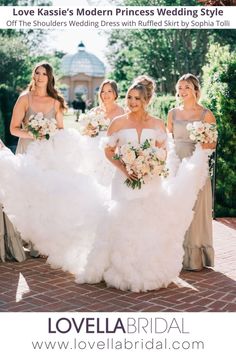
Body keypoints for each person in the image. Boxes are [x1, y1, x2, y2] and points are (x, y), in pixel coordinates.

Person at [75, 76, 211, 292]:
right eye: (129, 97)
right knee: (123, 221)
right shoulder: (118, 122)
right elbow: (108, 151)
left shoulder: (156, 123)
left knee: (148, 222)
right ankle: (119, 268)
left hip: (150, 180)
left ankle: (146, 268)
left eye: (137, 98)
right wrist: (125, 169)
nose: (132, 102)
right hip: (123, 180)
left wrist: (149, 165)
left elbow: (164, 151)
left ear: (146, 100)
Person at [9, 62, 66, 258]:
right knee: (29, 195)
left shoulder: (56, 101)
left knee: (46, 195)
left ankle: (43, 240)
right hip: (28, 151)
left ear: (50, 78)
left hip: (48, 154)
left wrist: (49, 134)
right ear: (33, 75)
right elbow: (13, 129)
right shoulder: (25, 98)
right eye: (37, 73)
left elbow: (60, 130)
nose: (40, 76)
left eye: (44, 74)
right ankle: (29, 239)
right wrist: (33, 134)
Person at [167, 73, 216, 271]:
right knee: (176, 208)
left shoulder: (206, 115)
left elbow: (211, 143)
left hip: (197, 165)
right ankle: (174, 255)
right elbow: (168, 139)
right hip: (176, 164)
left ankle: (195, 257)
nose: (182, 91)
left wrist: (202, 140)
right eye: (180, 87)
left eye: (186, 87)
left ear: (196, 89)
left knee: (196, 211)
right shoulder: (172, 113)